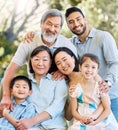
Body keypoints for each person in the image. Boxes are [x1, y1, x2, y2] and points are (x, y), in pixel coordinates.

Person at [0, 9, 77, 111]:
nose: (52, 29)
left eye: (56, 26)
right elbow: (11, 69)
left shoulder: (67, 45)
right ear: (41, 24)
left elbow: (76, 69)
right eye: (49, 24)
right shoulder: (29, 41)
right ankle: (4, 115)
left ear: (60, 29)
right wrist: (6, 96)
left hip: (57, 85)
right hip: (35, 86)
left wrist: (64, 72)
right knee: (4, 84)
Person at [65, 6, 118, 122]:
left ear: (85, 19)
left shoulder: (103, 37)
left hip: (111, 97)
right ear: (68, 26)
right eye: (71, 22)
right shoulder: (69, 44)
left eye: (78, 19)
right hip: (88, 102)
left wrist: (107, 83)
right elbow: (54, 51)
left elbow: (115, 63)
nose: (76, 24)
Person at [52, 47, 118, 130]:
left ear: (73, 59)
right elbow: (68, 117)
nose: (63, 65)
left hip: (100, 120)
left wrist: (94, 117)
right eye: (58, 63)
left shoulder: (91, 75)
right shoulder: (63, 85)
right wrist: (73, 97)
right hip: (80, 122)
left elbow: (105, 103)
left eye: (64, 59)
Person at [15, 45, 68, 130]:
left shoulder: (58, 81)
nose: (40, 63)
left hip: (55, 127)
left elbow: (57, 106)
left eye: (45, 60)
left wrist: (32, 121)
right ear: (31, 61)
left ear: (50, 63)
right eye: (36, 59)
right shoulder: (26, 84)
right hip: (33, 127)